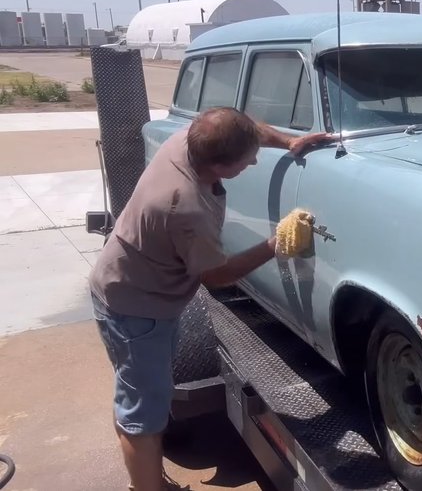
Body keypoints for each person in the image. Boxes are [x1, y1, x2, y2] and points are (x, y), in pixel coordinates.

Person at [88, 107, 336, 491]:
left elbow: (248, 129)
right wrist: (276, 244)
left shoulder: (193, 137)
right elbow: (217, 276)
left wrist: (289, 142)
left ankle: (149, 476)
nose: (255, 160)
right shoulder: (184, 205)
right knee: (142, 416)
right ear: (220, 166)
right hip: (136, 306)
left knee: (143, 392)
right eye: (247, 159)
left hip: (145, 293)